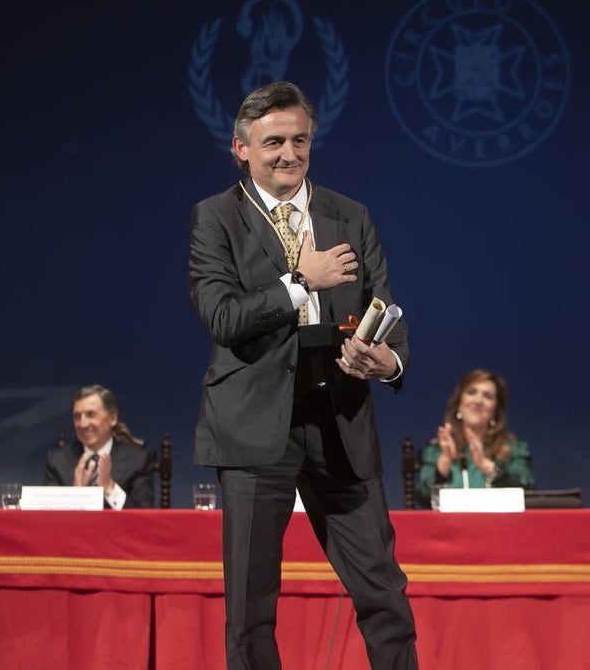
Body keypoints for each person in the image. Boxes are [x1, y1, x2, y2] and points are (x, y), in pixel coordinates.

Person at [188, 81, 418, 670]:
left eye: (299, 140)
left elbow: (386, 310)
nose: (288, 154)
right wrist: (300, 281)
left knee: (385, 595)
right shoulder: (216, 218)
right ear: (241, 148)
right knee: (251, 611)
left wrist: (387, 360)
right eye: (273, 143)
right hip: (254, 429)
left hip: (340, 420)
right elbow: (223, 317)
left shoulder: (350, 214)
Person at [416, 369, 535, 509]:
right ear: (459, 403)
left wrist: (486, 465)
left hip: (499, 522)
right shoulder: (436, 450)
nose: (478, 401)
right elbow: (424, 498)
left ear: (496, 411)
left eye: (488, 396)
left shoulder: (514, 449)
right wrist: (445, 461)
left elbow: (526, 492)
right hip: (450, 523)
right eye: (472, 392)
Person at [44, 384, 156, 509]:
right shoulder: (57, 460)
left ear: (112, 418)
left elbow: (142, 515)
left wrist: (109, 487)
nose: (83, 424)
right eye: (77, 416)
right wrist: (75, 495)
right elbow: (47, 516)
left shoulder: (138, 461)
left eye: (90, 414)